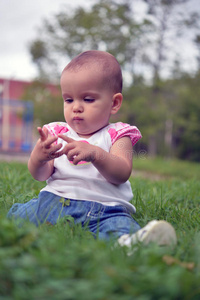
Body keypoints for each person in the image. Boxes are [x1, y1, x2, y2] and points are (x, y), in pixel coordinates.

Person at [7, 50, 176, 247]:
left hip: (103, 210)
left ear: (114, 103)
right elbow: (40, 175)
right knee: (20, 215)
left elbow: (121, 173)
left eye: (88, 99)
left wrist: (96, 154)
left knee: (117, 227)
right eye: (69, 100)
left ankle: (132, 243)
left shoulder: (118, 134)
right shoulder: (56, 132)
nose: (76, 107)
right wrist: (38, 158)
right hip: (54, 202)